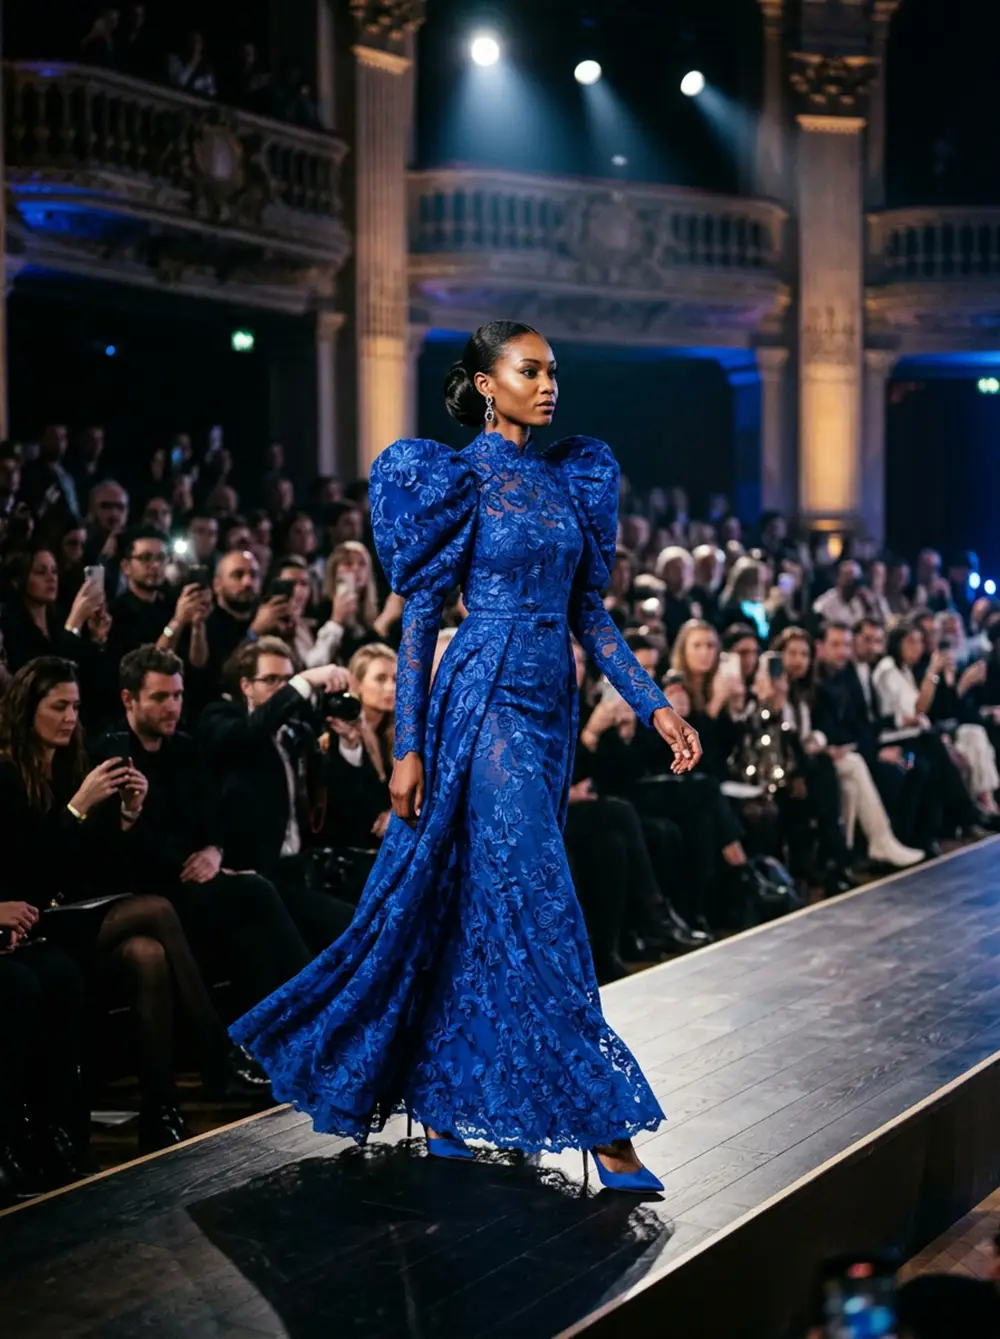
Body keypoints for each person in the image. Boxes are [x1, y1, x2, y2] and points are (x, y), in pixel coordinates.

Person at [229, 319, 702, 1191]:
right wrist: (405, 747)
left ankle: (445, 1106)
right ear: (487, 383)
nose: (549, 384)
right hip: (480, 699)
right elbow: (416, 620)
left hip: (550, 707)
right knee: (540, 901)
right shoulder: (450, 480)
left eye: (554, 370)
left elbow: (590, 614)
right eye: (530, 370)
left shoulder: (569, 480)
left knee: (478, 900)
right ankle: (606, 1129)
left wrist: (656, 703)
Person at [0, 658, 253, 1156]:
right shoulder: (8, 772)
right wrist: (77, 807)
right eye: (58, 707)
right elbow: (31, 869)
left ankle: (158, 1111)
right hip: (34, 916)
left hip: (74, 906)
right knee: (157, 909)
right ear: (29, 709)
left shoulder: (72, 763)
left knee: (148, 955)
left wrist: (126, 813)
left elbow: (92, 860)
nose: (70, 717)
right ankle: (217, 1054)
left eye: (75, 706)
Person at [96, 646, 315, 1020]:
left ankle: (263, 1045)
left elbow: (212, 816)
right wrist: (201, 864)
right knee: (256, 890)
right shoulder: (110, 753)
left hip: (195, 878)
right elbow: (125, 847)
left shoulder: (183, 747)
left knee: (252, 937)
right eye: (160, 697)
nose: (173, 707)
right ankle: (316, 1005)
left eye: (178, 696)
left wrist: (214, 850)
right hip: (149, 888)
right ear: (128, 699)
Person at [198, 638, 356, 953]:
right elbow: (251, 732)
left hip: (301, 870)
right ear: (245, 685)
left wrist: (349, 744)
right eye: (271, 680)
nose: (282, 688)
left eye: (286, 679)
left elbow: (332, 802)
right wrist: (303, 682)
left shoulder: (298, 731)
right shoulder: (220, 718)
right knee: (344, 933)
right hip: (255, 876)